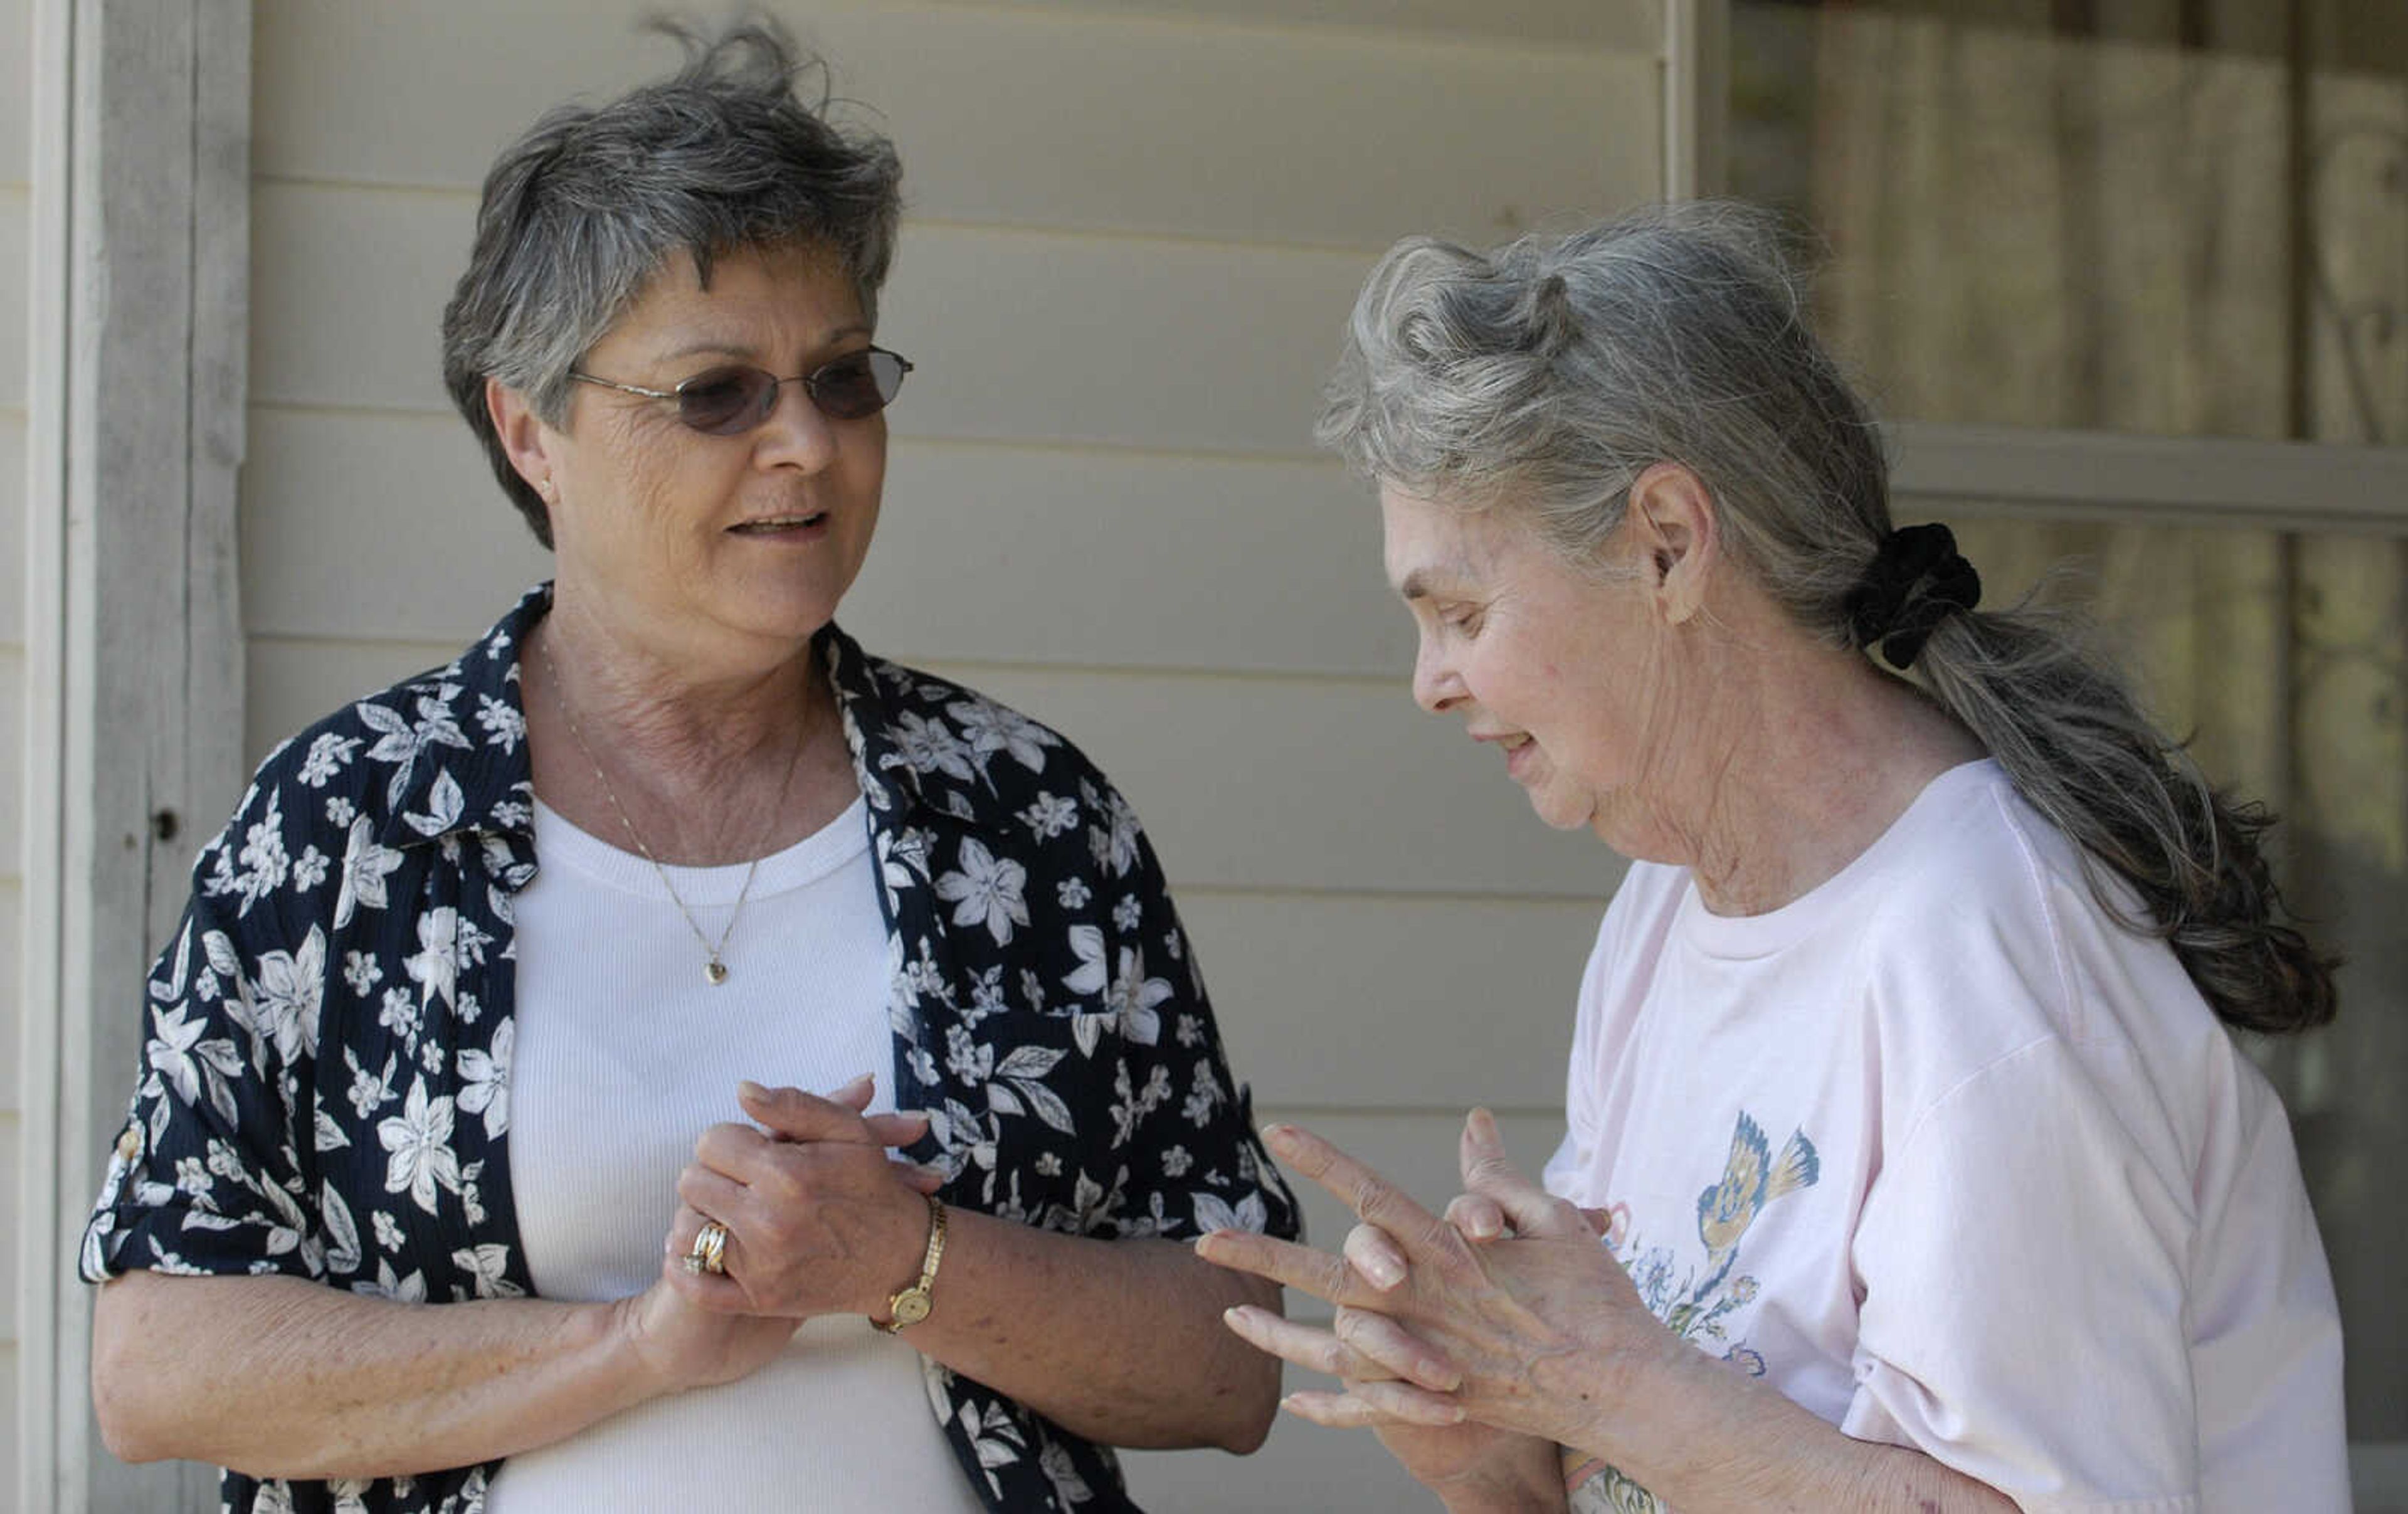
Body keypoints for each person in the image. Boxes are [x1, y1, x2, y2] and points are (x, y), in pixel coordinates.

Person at [80, 22, 1296, 1513]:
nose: (807, 444)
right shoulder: (346, 827)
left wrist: (912, 1262)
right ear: (532, 430)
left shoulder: (1027, 819)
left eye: (844, 379)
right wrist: (637, 1346)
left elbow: (1232, 1360)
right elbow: (159, 1360)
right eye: (718, 393)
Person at [1198, 204, 2347, 1513]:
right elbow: (1615, 1466)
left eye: (1461, 611)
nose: (1431, 683)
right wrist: (1472, 1421)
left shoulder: (1986, 946)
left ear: (1669, 544)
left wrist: (1608, 1384)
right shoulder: (1664, 909)